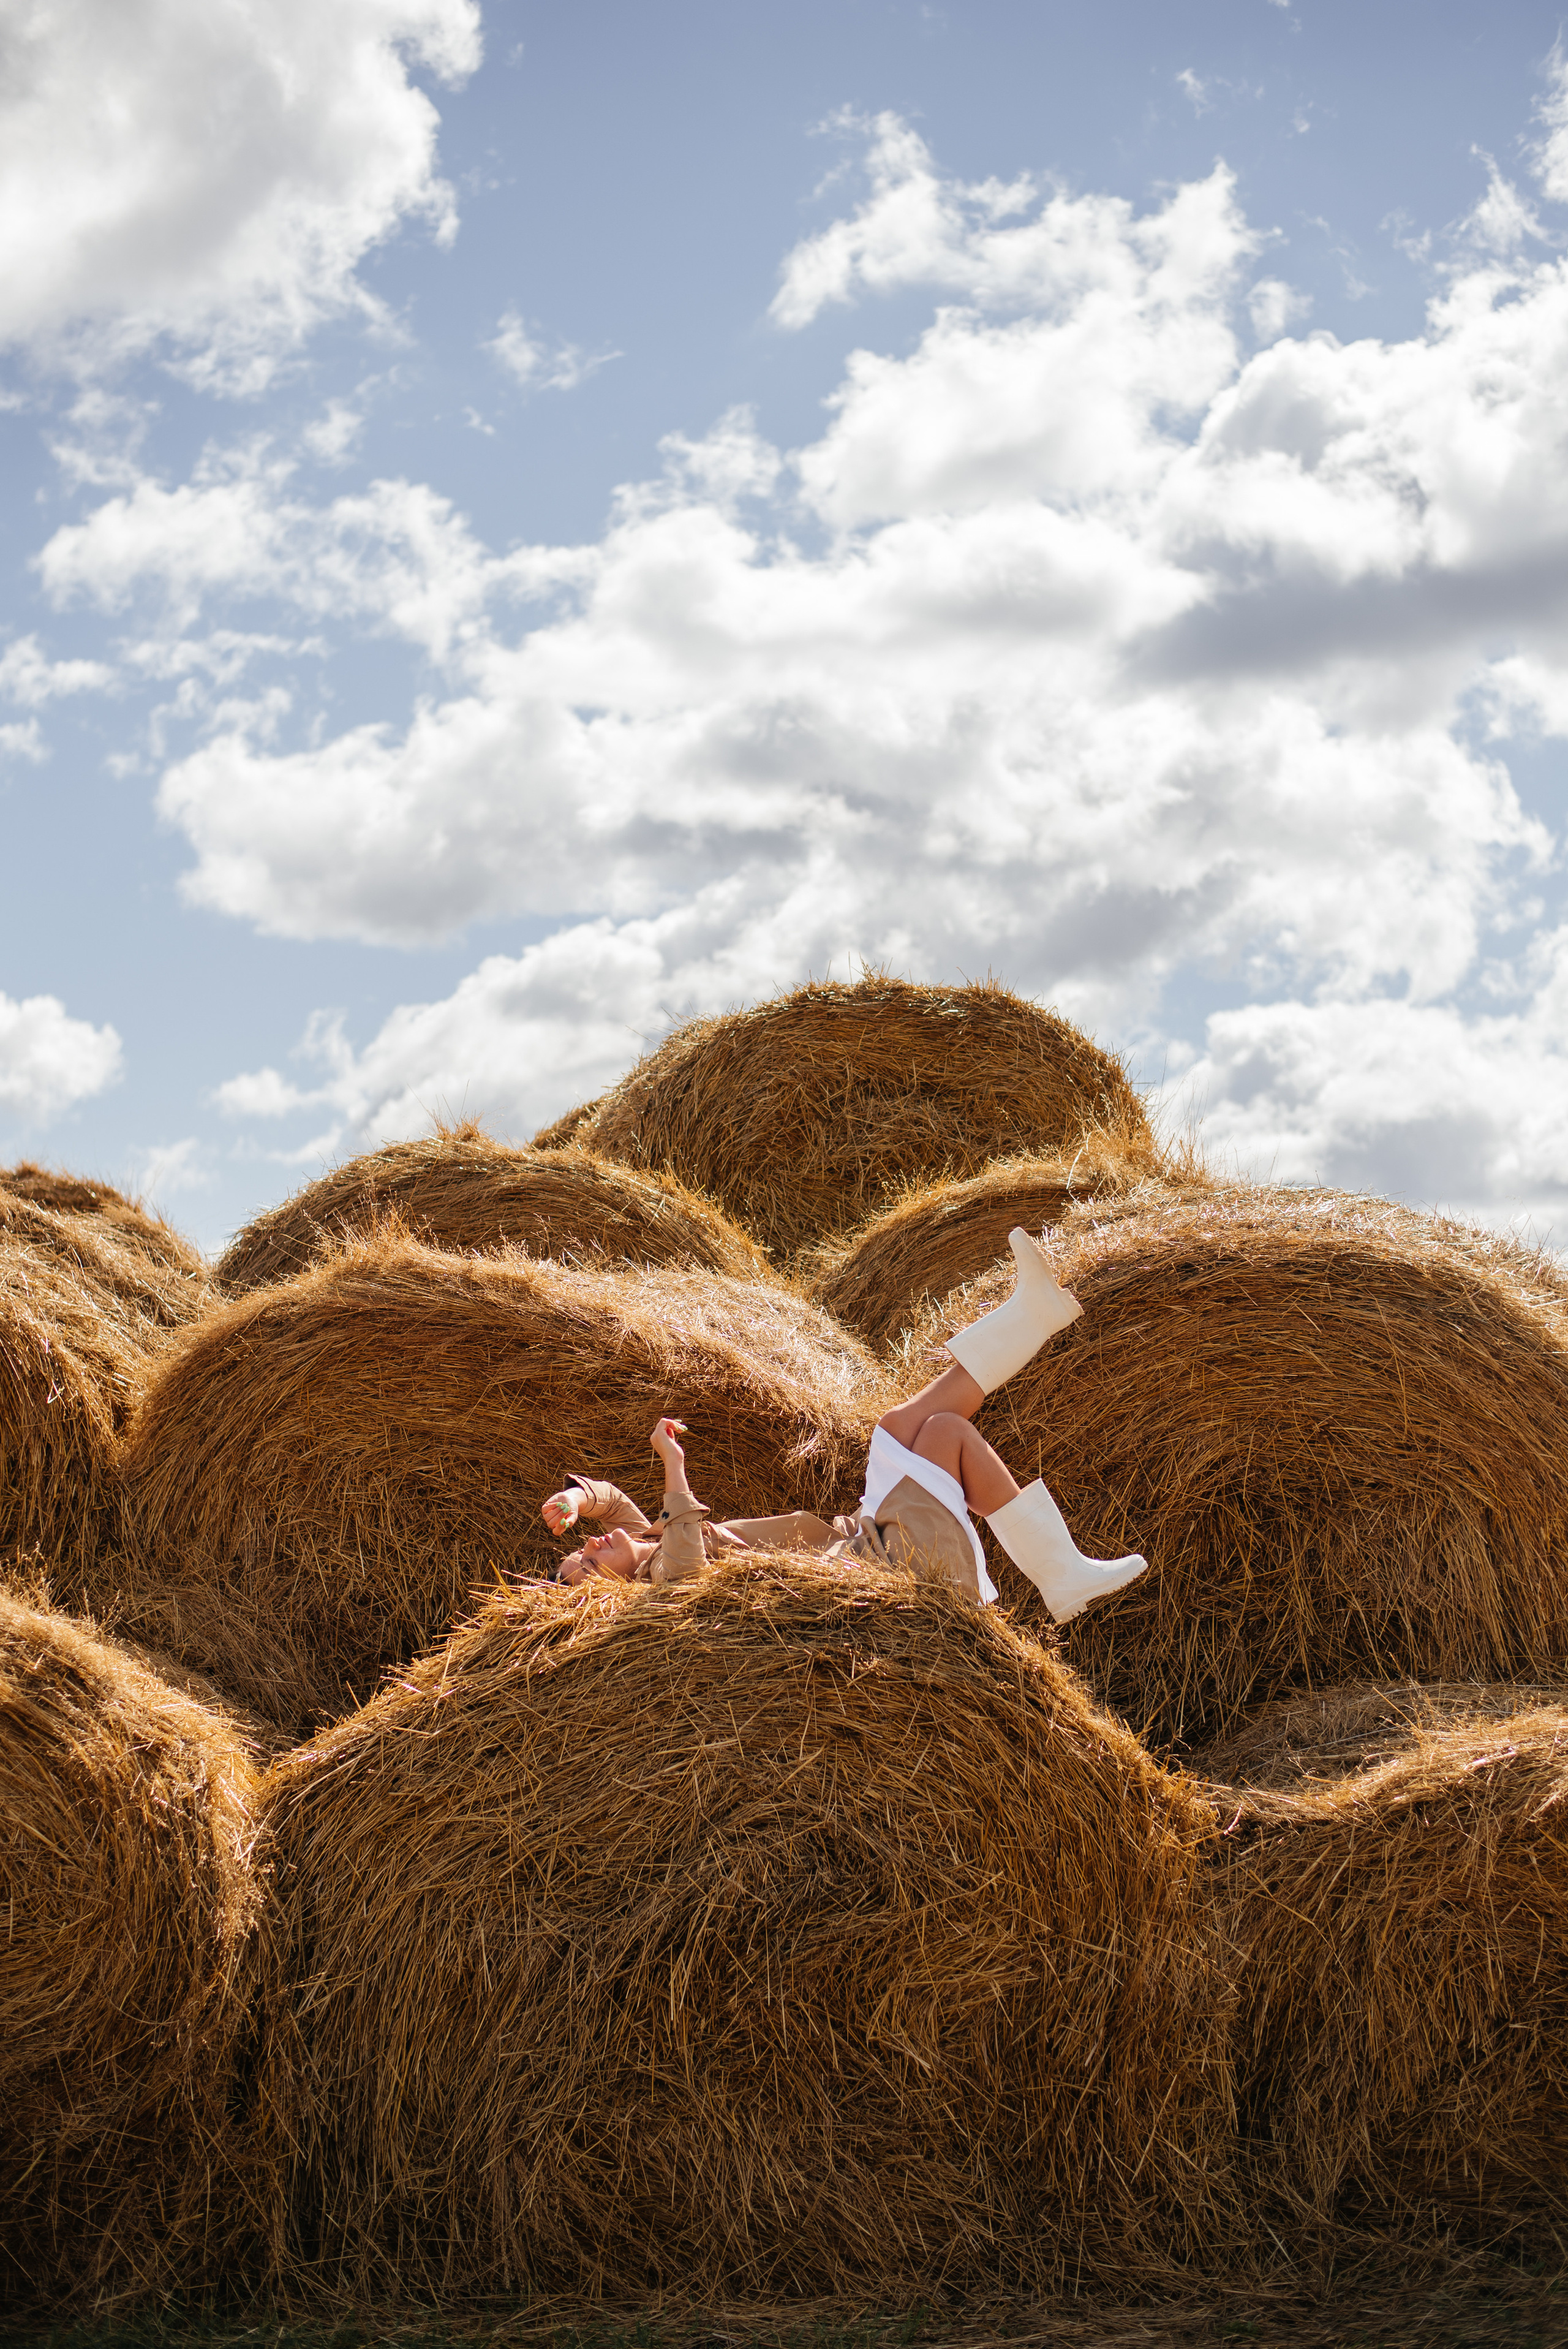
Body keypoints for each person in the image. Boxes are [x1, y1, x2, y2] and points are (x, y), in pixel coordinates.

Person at [543, 1229, 1147, 1624]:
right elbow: (686, 1550)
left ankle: (1035, 1317)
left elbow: (615, 1507)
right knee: (943, 1436)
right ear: (614, 1593)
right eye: (591, 1567)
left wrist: (578, 1499)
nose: (592, 1547)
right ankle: (1060, 1572)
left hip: (862, 1537)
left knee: (913, 1428)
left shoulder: (642, 1539)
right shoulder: (667, 1581)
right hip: (892, 1571)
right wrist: (674, 1468)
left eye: (581, 1550)